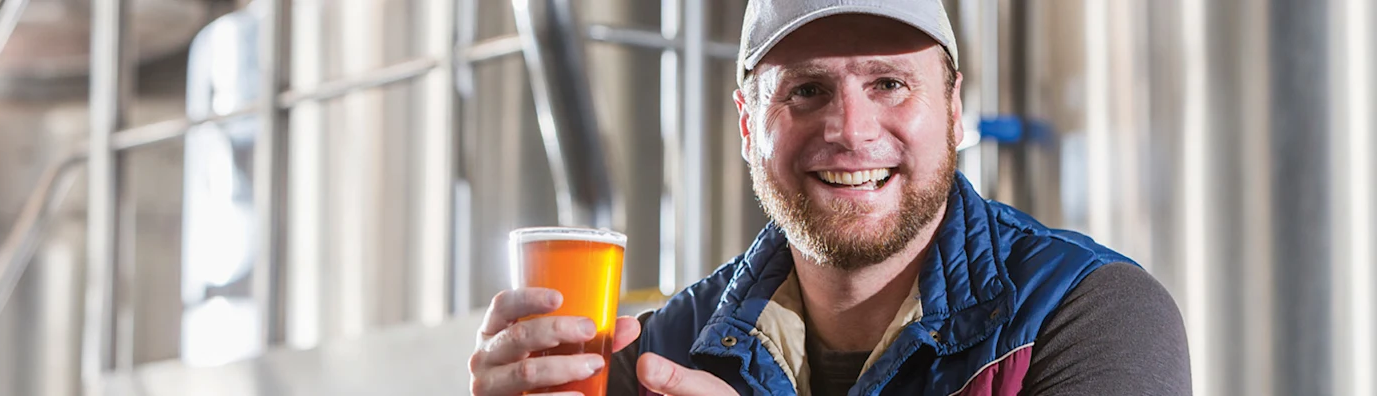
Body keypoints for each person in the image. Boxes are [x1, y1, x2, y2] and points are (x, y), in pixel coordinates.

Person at [469, 0, 1192, 394]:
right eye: (808, 91)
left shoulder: (1091, 315)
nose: (850, 130)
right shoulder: (663, 353)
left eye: (888, 84)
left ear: (952, 110)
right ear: (750, 126)